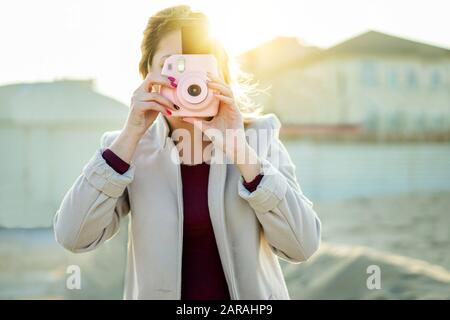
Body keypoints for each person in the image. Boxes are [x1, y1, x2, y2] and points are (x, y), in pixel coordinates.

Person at [53, 5, 321, 300]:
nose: (189, 82)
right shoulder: (127, 150)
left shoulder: (259, 140)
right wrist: (131, 135)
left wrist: (240, 150)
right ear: (147, 74)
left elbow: (302, 245)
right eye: (173, 66)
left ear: (221, 76)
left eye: (201, 68)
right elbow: (73, 236)